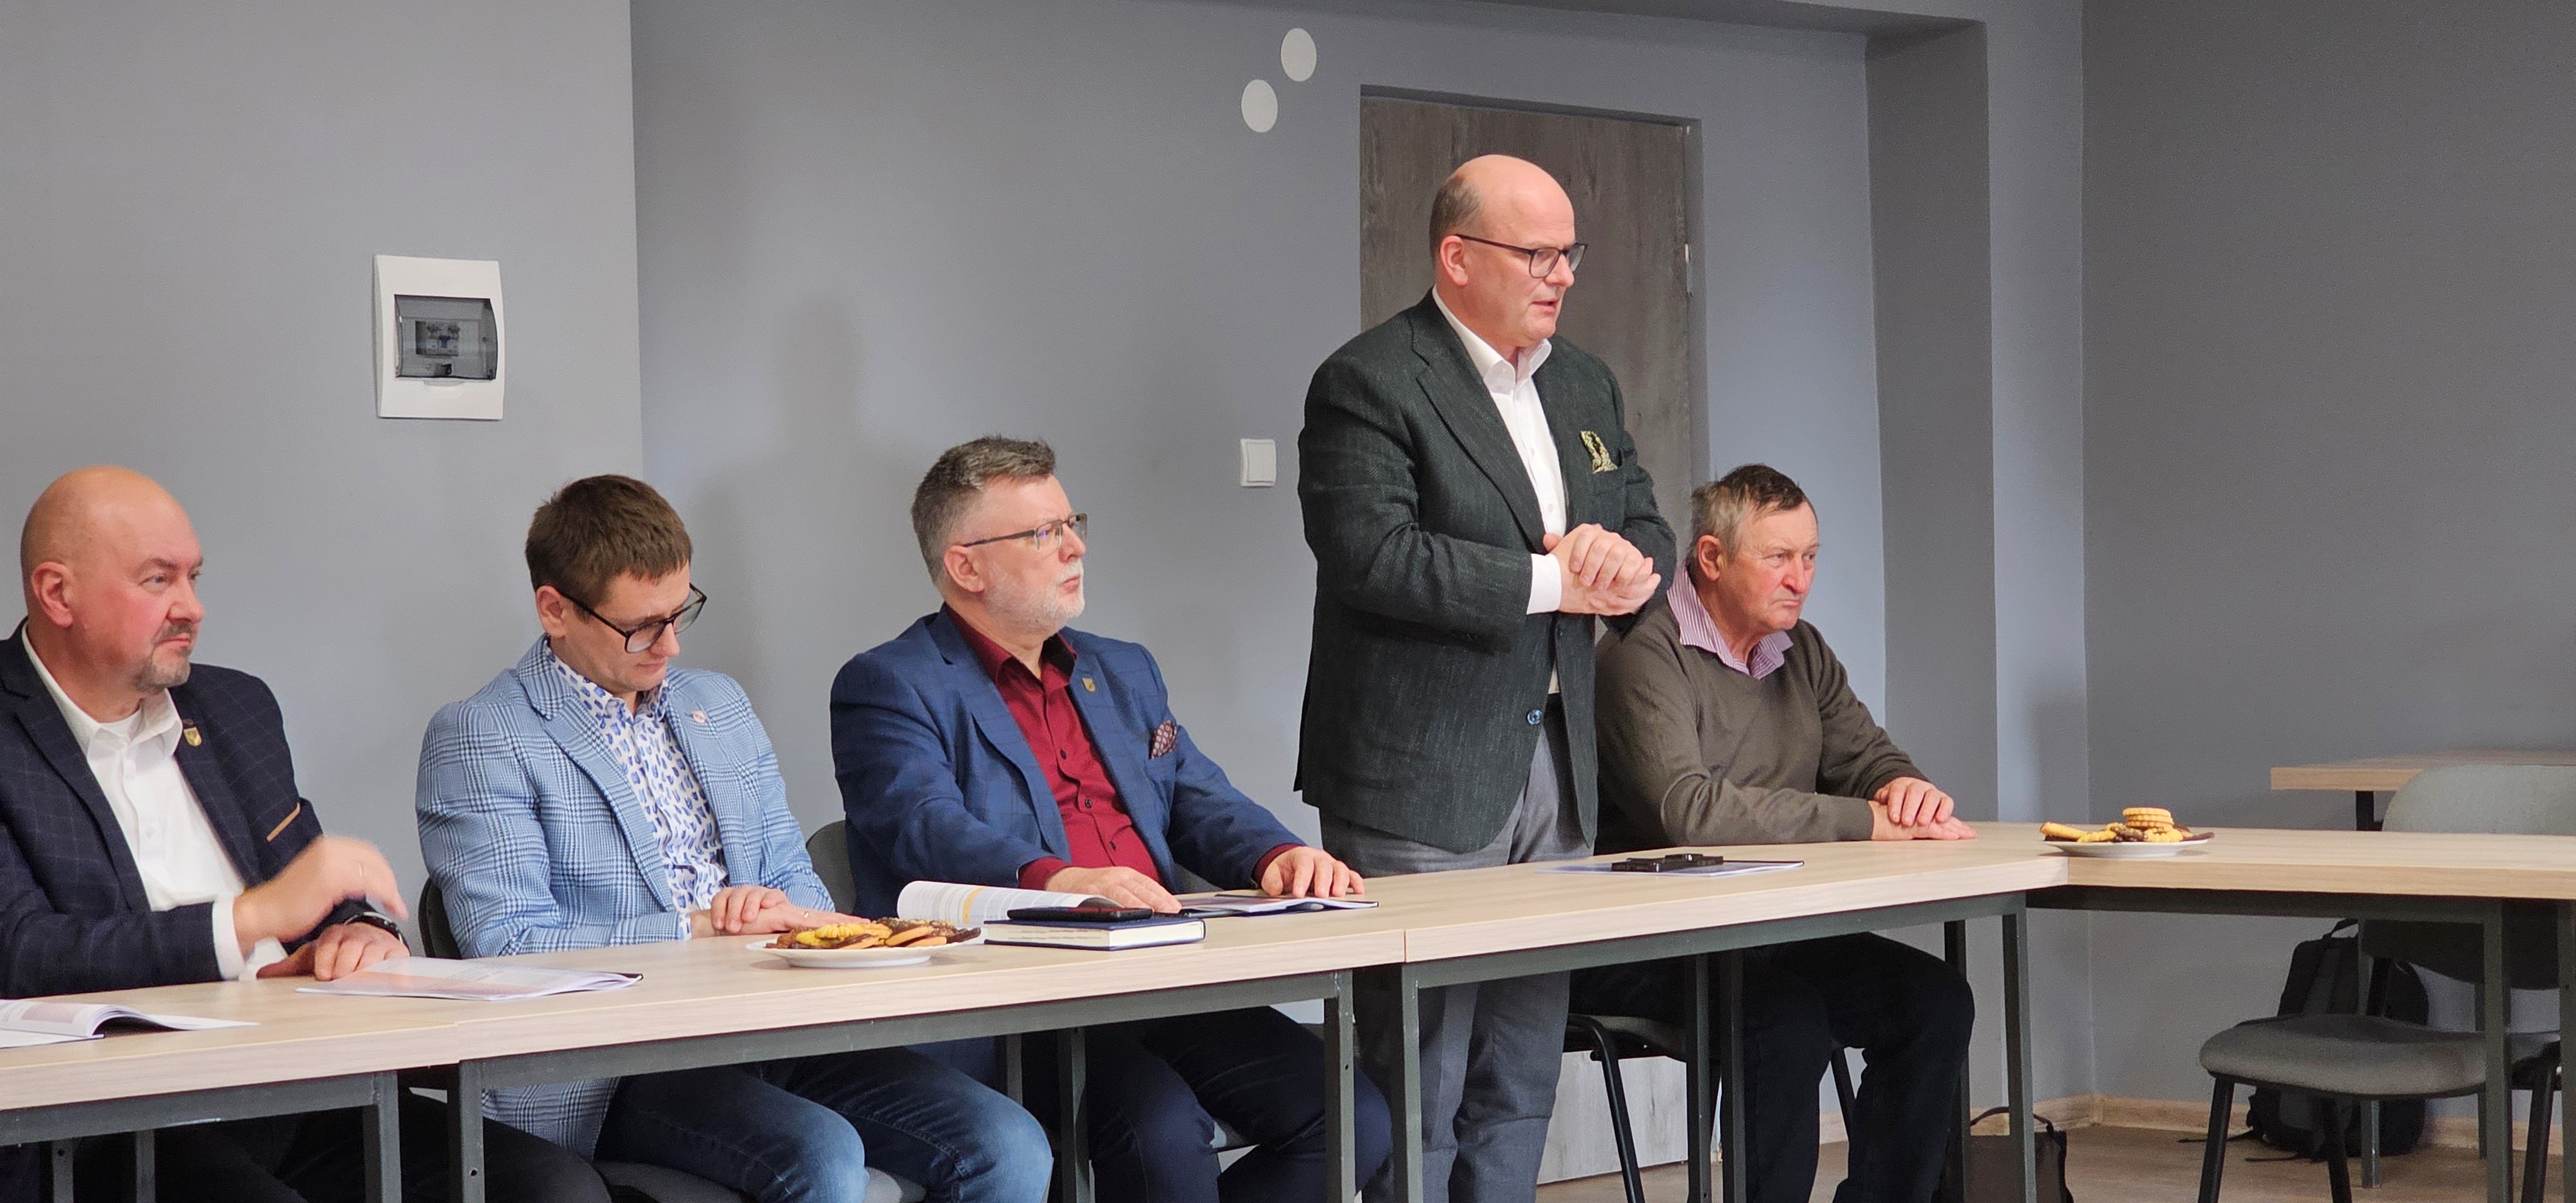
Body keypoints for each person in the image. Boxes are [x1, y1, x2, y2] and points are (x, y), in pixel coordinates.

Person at [417, 475, 1048, 1203]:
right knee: (822, 1157)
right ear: (554, 610)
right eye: (641, 626)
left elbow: (795, 877)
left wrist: (790, 914)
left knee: (1008, 1143)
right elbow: (508, 944)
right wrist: (698, 926)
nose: (671, 644)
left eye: (680, 611)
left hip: (774, 1029)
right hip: (615, 1067)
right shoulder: (485, 734)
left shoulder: (716, 703)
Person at [0, 466, 607, 1203]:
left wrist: (359, 934)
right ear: (57, 593)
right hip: (105, 1123)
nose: (192, 606)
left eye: (193, 576)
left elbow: (316, 895)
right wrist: (250, 918)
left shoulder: (235, 704)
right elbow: (23, 951)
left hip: (296, 1083)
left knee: (554, 1186)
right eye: (158, 580)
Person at [831, 436, 1392, 1203]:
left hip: (1162, 972)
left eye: (1073, 523)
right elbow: (920, 826)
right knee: (1160, 1132)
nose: (1075, 546)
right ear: (966, 566)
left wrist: (1275, 853)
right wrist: (1063, 880)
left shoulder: (1121, 667)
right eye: (1043, 533)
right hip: (1027, 1000)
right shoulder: (891, 682)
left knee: (1353, 1116)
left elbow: (1193, 792)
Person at [1296, 153, 1674, 1202]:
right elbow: (1372, 555)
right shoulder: (1369, 380)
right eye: (1537, 254)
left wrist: (1624, 563)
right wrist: (1558, 580)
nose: (1563, 275)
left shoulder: (1585, 380)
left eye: (1569, 253)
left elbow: (1647, 524)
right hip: (1420, 770)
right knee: (1421, 1073)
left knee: (1521, 1069)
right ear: (1457, 258)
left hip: (1558, 763)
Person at [1573, 463, 1976, 1203]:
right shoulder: (1643, 651)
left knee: (1935, 1001)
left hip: (1767, 929)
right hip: (1646, 937)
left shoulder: (1802, 649)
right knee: (1785, 1021)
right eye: (1779, 557)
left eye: (1810, 556)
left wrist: (1903, 787)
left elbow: (1866, 757)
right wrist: (1864, 820)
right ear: (1711, 557)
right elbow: (1687, 810)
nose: (1800, 578)